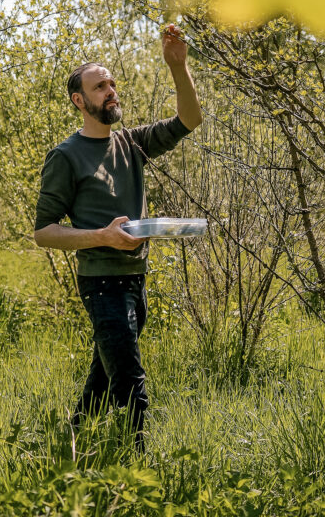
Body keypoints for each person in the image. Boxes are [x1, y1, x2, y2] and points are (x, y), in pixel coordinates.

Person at [33, 24, 202, 449]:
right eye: (99, 86)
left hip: (134, 280)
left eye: (111, 83)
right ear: (80, 100)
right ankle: (133, 471)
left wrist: (177, 66)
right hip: (102, 282)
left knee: (103, 377)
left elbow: (190, 119)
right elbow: (44, 232)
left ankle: (71, 443)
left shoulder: (132, 143)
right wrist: (103, 238)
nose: (111, 91)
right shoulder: (65, 156)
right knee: (130, 382)